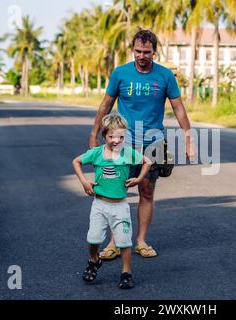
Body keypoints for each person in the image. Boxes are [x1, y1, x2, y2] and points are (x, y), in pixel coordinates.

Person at [89, 29, 196, 259]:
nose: (141, 56)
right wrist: (94, 133)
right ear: (132, 50)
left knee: (146, 192)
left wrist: (188, 138)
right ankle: (114, 243)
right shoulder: (120, 74)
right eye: (138, 51)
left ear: (154, 52)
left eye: (146, 52)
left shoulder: (166, 76)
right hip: (121, 143)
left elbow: (179, 109)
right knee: (115, 193)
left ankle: (140, 241)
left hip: (152, 143)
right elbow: (105, 105)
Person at [73, 113, 151, 289]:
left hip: (120, 206)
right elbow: (76, 161)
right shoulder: (96, 153)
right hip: (99, 205)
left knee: (124, 242)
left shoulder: (128, 153)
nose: (117, 140)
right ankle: (94, 260)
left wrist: (138, 179)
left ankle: (126, 273)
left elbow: (147, 161)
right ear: (103, 136)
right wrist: (84, 181)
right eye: (112, 136)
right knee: (93, 239)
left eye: (121, 137)